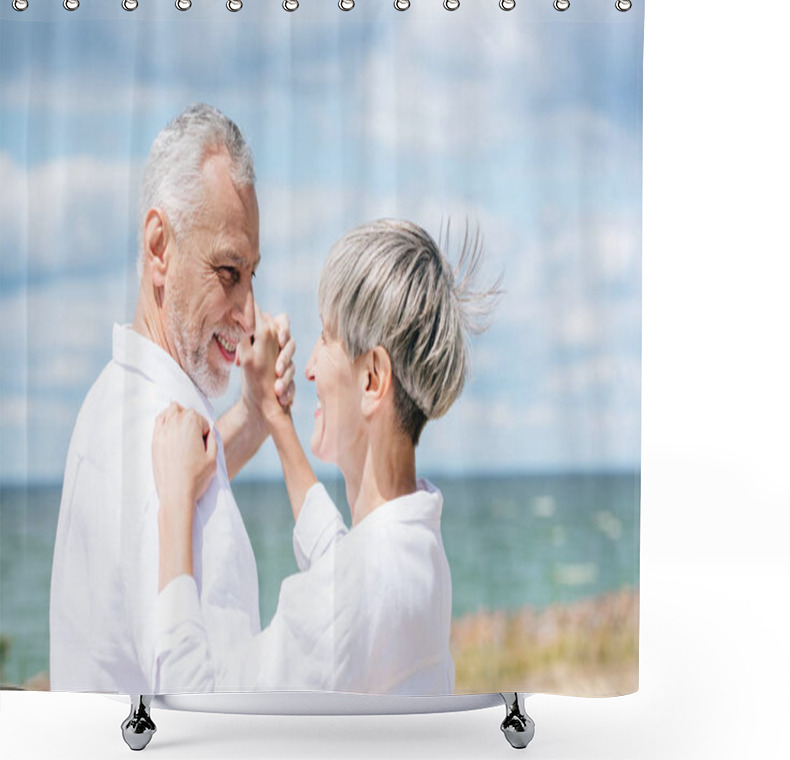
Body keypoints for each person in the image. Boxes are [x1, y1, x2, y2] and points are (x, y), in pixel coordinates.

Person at [151, 218, 502, 695]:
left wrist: (173, 500)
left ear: (373, 379)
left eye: (326, 337)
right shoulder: (418, 544)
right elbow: (337, 557)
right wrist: (275, 419)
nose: (311, 366)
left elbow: (193, 702)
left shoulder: (345, 599)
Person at [49, 104, 297, 693]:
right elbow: (203, 705)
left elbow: (195, 472)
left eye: (252, 275)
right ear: (159, 247)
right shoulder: (147, 432)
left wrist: (256, 416)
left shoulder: (121, 402)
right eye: (228, 272)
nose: (250, 315)